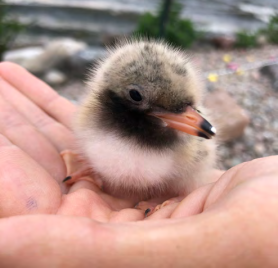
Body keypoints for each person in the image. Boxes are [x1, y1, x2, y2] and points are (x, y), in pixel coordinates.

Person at [0, 61, 277, 267]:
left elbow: (203, 136)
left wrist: (184, 197)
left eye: (188, 107)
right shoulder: (94, 120)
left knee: (194, 151)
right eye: (138, 97)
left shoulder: (188, 145)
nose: (194, 119)